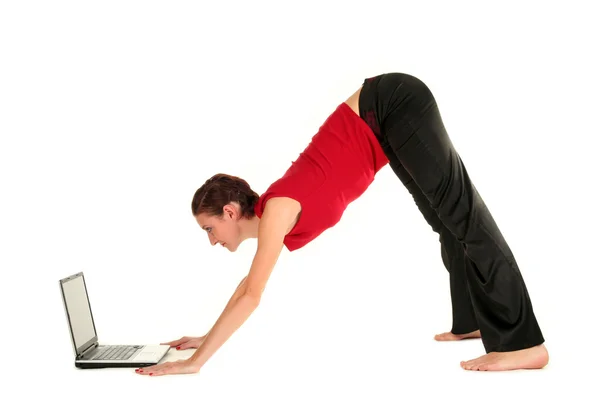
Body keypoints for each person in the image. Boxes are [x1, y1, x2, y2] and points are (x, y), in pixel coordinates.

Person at [135, 72, 549, 377]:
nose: (211, 241)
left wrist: (196, 363)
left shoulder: (276, 210)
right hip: (384, 126)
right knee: (445, 220)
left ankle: (525, 344)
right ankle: (471, 321)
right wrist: (203, 339)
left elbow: (251, 294)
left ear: (228, 212)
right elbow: (245, 288)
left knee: (464, 215)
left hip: (392, 105)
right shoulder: (273, 217)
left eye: (208, 229)